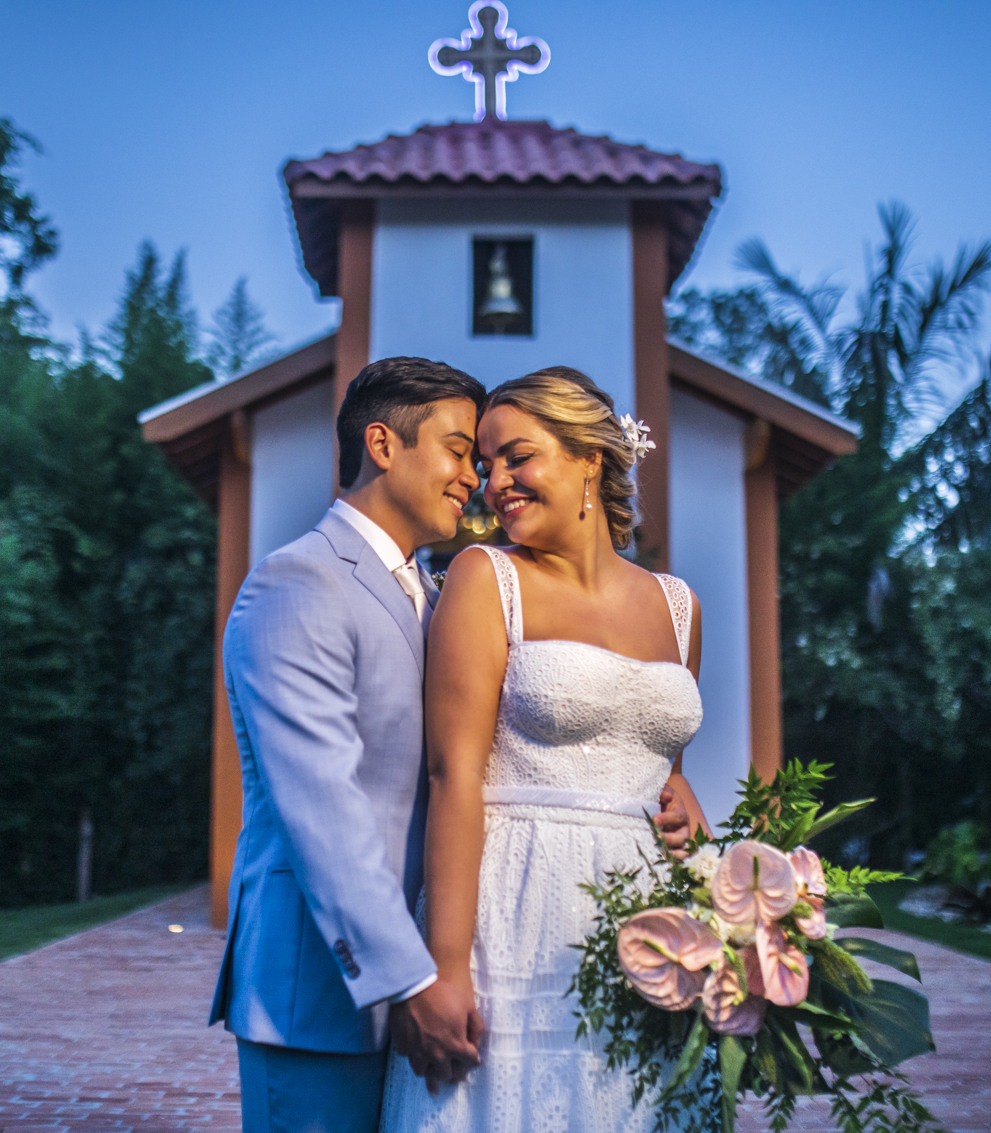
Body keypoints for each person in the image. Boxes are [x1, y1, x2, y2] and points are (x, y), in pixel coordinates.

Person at [211, 357, 696, 1133]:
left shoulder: (435, 593)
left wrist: (666, 780)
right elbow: (321, 809)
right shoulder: (298, 582)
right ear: (382, 443)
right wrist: (417, 976)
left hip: (495, 964)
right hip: (329, 991)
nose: (478, 477)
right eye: (464, 450)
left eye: (498, 456)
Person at [381, 366, 711, 1133]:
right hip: (517, 914)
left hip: (650, 924)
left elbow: (667, 772)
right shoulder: (483, 577)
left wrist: (681, 797)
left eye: (515, 456)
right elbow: (452, 773)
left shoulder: (680, 605)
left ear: (589, 457)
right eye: (486, 463)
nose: (493, 482)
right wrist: (446, 966)